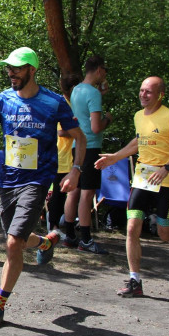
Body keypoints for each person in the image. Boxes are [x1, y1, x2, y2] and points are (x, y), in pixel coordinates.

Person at [0, 47, 86, 329]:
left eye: (17, 67)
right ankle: (47, 241)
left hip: (37, 181)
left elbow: (80, 138)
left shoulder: (53, 102)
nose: (11, 72)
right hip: (8, 180)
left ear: (32, 70)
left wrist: (75, 170)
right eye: (9, 68)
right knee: (18, 238)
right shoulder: (2, 101)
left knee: (13, 242)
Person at [94, 76, 169, 298]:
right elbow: (138, 142)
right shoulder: (138, 116)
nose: (143, 94)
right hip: (143, 178)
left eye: (148, 92)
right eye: (141, 90)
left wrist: (167, 167)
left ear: (160, 94)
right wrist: (115, 157)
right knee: (132, 228)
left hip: (166, 180)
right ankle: (135, 281)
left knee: (165, 233)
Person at [60, 56, 110, 253]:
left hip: (77, 146)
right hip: (91, 147)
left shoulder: (77, 90)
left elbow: (82, 115)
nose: (105, 74)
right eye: (105, 70)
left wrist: (100, 93)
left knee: (74, 190)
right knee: (87, 193)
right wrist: (108, 119)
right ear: (98, 70)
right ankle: (86, 239)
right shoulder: (93, 94)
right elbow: (96, 127)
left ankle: (70, 235)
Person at [46, 72, 81, 238]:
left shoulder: (72, 104)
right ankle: (53, 226)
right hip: (61, 154)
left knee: (66, 192)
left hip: (69, 155)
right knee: (59, 194)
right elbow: (60, 131)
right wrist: (79, 133)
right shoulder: (63, 103)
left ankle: (61, 224)